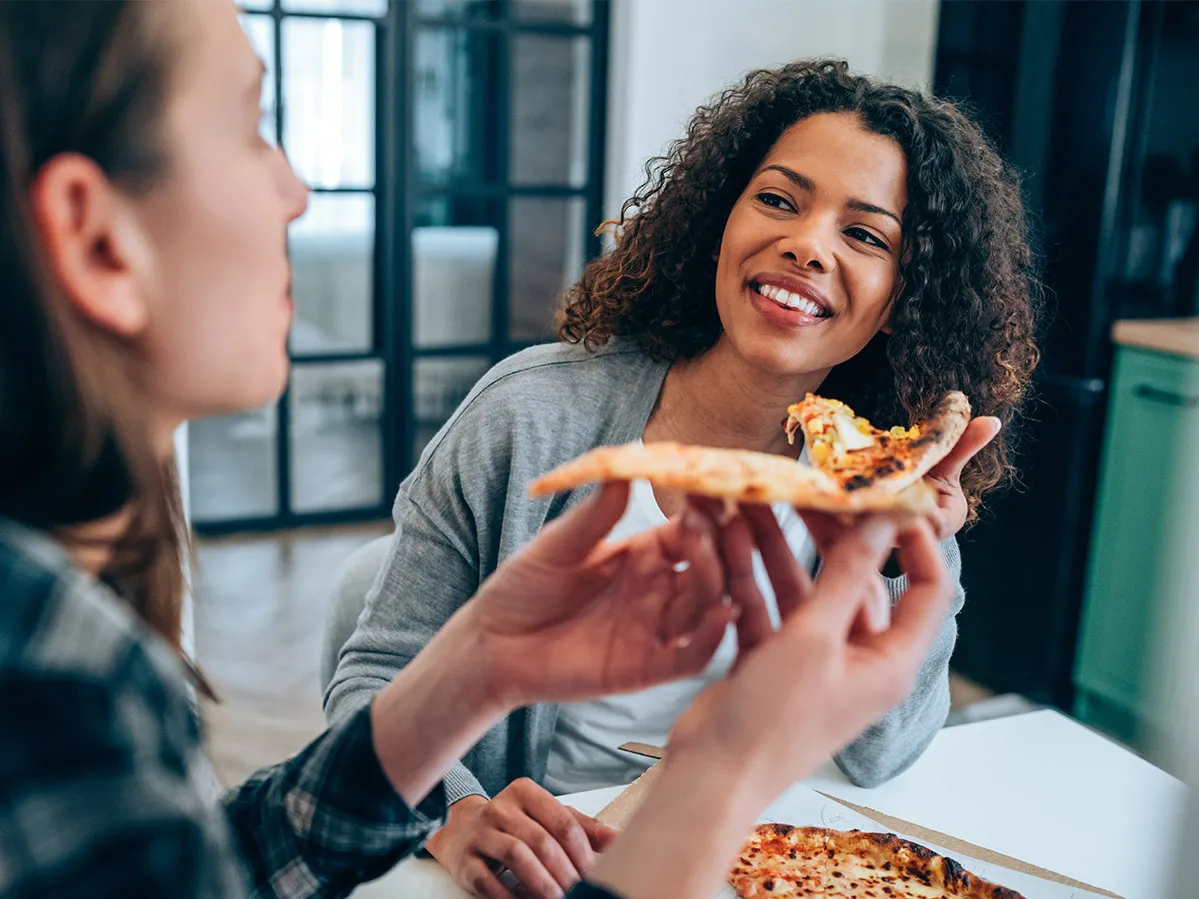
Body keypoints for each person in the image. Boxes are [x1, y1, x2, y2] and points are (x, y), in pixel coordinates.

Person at [0, 2, 957, 898]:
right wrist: (718, 766)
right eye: (252, 128)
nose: (297, 190)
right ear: (97, 242)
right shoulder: (55, 680)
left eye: (863, 233)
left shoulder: (74, 640)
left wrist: (479, 665)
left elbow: (219, 858)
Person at [325, 58, 1039, 898]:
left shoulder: (876, 472)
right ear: (718, 218)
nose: (806, 244)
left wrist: (901, 553)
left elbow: (882, 752)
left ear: (901, 298)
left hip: (754, 858)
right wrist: (455, 811)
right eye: (778, 199)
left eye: (865, 234)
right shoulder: (530, 416)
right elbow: (370, 682)